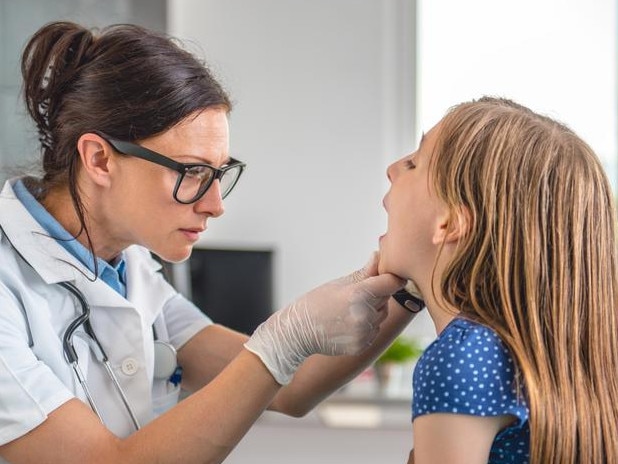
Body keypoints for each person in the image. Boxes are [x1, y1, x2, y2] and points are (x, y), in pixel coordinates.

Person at [0, 21, 425, 464]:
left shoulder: (131, 270)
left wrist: (406, 288)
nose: (215, 205)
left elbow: (293, 389)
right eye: (192, 172)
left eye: (219, 173)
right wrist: (279, 341)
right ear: (100, 159)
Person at [378, 96, 618, 463]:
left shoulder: (460, 357)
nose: (393, 169)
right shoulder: (530, 350)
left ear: (451, 223)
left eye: (413, 163)